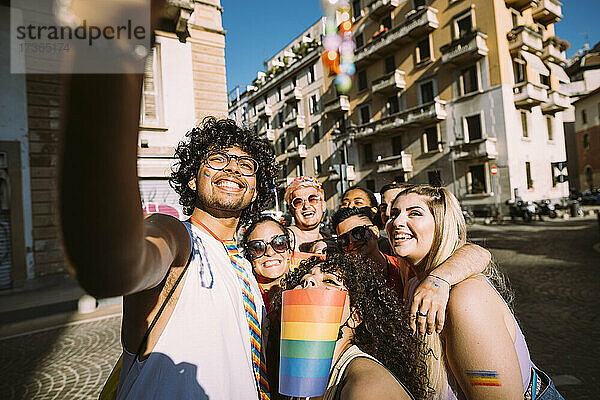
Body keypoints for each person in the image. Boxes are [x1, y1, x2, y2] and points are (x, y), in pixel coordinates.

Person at [60, 68, 279, 400]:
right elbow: (116, 263)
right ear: (192, 179)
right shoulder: (177, 236)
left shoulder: (244, 265)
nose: (233, 167)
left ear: (254, 190)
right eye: (218, 160)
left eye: (246, 164)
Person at [389, 186, 564, 400]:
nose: (396, 222)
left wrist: (438, 280)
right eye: (394, 214)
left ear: (442, 223)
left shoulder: (466, 298)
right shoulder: (414, 282)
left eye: (415, 213)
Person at [276, 253, 432, 400]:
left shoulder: (367, 386)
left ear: (355, 316)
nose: (308, 281)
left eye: (330, 281)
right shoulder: (298, 377)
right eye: (303, 279)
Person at [331, 206, 491, 335]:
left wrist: (437, 280)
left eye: (358, 233)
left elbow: (480, 253)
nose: (351, 241)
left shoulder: (405, 268)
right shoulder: (343, 280)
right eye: (343, 239)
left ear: (373, 231)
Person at [242, 216, 293, 310]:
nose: (269, 252)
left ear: (289, 250)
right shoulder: (243, 297)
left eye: (279, 243)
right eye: (257, 247)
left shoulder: (306, 287)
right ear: (249, 256)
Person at [284, 176, 329, 251]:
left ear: (323, 205)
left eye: (312, 199)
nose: (306, 206)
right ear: (291, 210)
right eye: (298, 202)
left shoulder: (328, 239)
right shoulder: (285, 239)